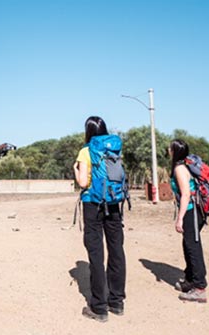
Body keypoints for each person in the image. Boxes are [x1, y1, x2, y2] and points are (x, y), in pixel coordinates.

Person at [73, 116, 126, 322]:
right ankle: (117, 302)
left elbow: (82, 182)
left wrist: (76, 169)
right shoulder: (113, 149)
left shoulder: (86, 151)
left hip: (93, 204)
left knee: (96, 254)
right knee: (116, 250)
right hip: (113, 202)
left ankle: (99, 307)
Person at [169, 138, 208, 303]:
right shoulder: (185, 165)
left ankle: (199, 287)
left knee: (193, 247)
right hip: (194, 210)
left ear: (175, 151)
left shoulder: (179, 168)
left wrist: (180, 218)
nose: (168, 151)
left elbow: (185, 194)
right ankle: (190, 280)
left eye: (170, 148)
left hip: (191, 211)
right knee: (188, 245)